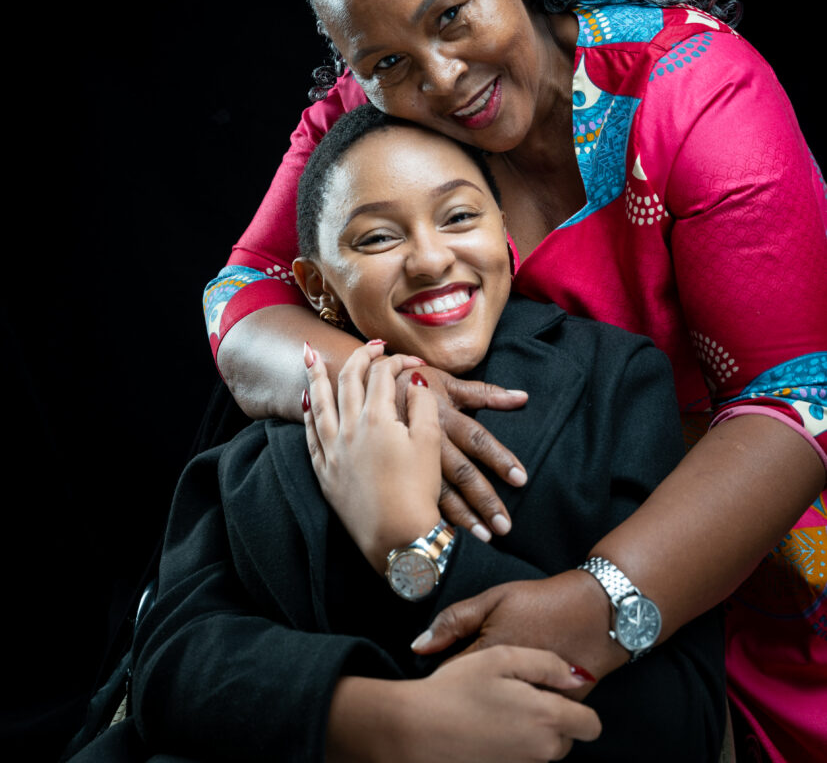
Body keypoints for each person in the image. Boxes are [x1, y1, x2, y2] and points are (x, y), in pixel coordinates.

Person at [203, 0, 827, 761]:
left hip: (729, 560)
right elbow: (241, 294)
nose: (441, 79)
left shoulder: (695, 96)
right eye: (386, 62)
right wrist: (389, 389)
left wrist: (599, 605)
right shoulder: (370, 108)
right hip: (513, 544)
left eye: (451, 16)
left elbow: (796, 405)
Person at [120, 105, 724, 762]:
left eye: (459, 217)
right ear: (318, 287)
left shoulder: (615, 378)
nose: (431, 259)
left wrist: (410, 540)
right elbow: (170, 665)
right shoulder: (270, 421)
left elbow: (677, 721)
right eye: (377, 238)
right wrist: (383, 719)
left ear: (504, 236)